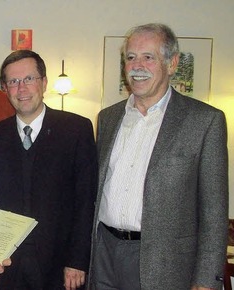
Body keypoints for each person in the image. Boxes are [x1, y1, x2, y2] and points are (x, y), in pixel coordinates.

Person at [89, 23, 228, 290]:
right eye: (130, 57)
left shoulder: (204, 121)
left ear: (172, 63)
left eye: (148, 57)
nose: (136, 66)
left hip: (164, 264)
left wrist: (206, 280)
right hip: (104, 252)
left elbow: (214, 211)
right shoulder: (108, 118)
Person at [0, 50, 97, 290]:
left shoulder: (76, 130)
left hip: (60, 265)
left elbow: (86, 201)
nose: (21, 88)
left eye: (29, 79)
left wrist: (77, 260)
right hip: (8, 264)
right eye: (13, 82)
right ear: (5, 88)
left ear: (44, 83)